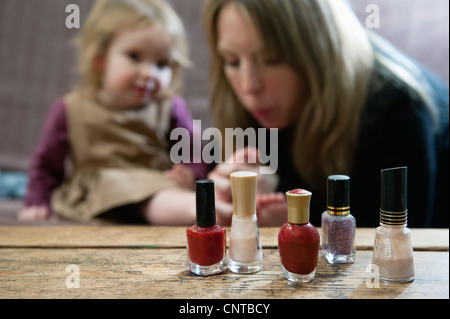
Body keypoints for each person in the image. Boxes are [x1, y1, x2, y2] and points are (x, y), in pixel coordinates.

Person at [203, 0, 449, 228]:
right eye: (232, 61)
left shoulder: (400, 111)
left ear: (318, 52)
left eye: (271, 59)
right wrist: (221, 193)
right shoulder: (247, 103)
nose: (248, 86)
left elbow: (394, 244)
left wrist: (286, 215)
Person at [18, 0, 209, 225]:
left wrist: (190, 173)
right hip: (101, 196)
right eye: (135, 56)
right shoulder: (71, 109)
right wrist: (37, 203)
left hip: (160, 188)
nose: (149, 73)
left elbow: (194, 149)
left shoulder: (169, 106)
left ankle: (214, 208)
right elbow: (46, 165)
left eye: (161, 64)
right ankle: (203, 210)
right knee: (118, 183)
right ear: (100, 58)